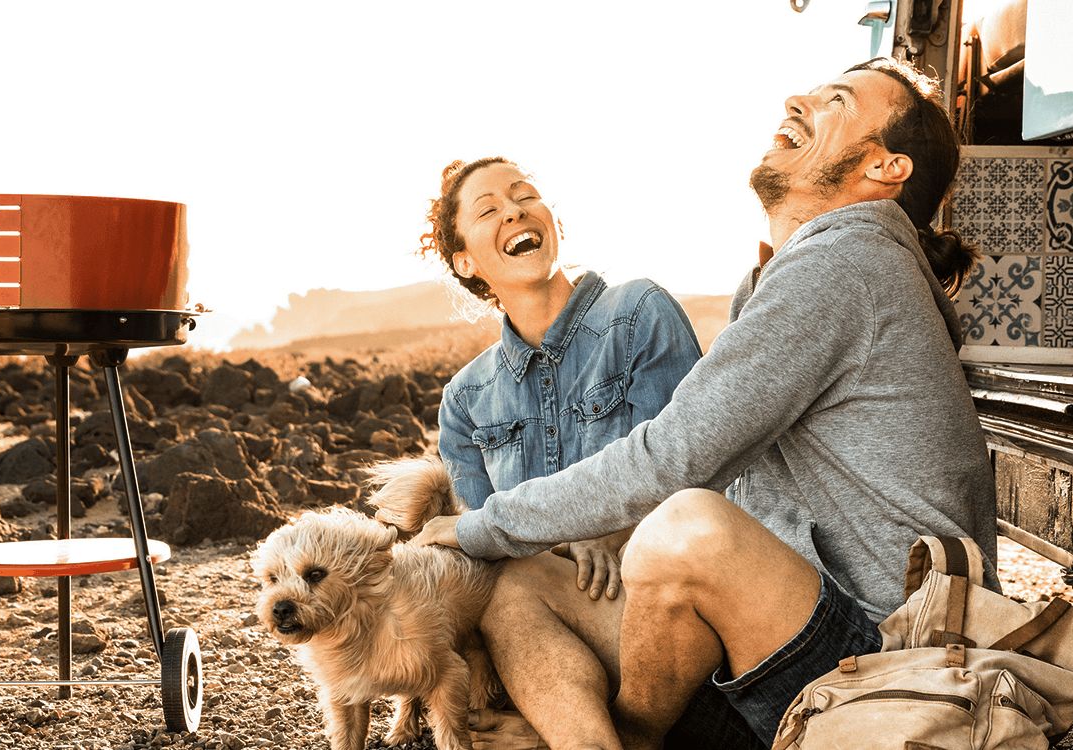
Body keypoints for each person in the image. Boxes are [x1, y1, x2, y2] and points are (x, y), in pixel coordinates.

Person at [413, 58, 998, 750]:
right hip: (792, 632)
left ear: (883, 168)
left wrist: (485, 526)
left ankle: (630, 735)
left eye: (834, 100)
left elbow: (674, 460)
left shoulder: (848, 264)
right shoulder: (806, 270)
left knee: (689, 523)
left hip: (882, 661)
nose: (796, 99)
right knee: (519, 585)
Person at [420, 156, 705, 601]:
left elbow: (684, 476)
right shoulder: (465, 399)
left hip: (657, 590)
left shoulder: (638, 313)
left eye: (525, 195)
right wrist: (565, 538)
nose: (514, 211)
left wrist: (608, 532)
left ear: (557, 226)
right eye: (488, 209)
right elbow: (482, 546)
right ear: (465, 262)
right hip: (539, 606)